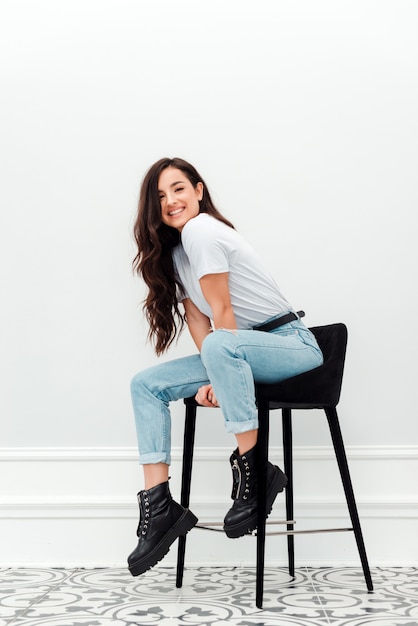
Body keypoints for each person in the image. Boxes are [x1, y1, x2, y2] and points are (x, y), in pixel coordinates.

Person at [127, 157, 324, 577]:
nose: (171, 201)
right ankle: (159, 506)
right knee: (145, 384)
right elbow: (199, 321)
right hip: (237, 349)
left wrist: (220, 366)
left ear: (199, 190)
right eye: (160, 196)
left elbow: (222, 309)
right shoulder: (177, 252)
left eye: (178, 189)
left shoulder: (202, 230)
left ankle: (257, 475)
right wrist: (218, 367)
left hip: (290, 345)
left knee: (220, 343)